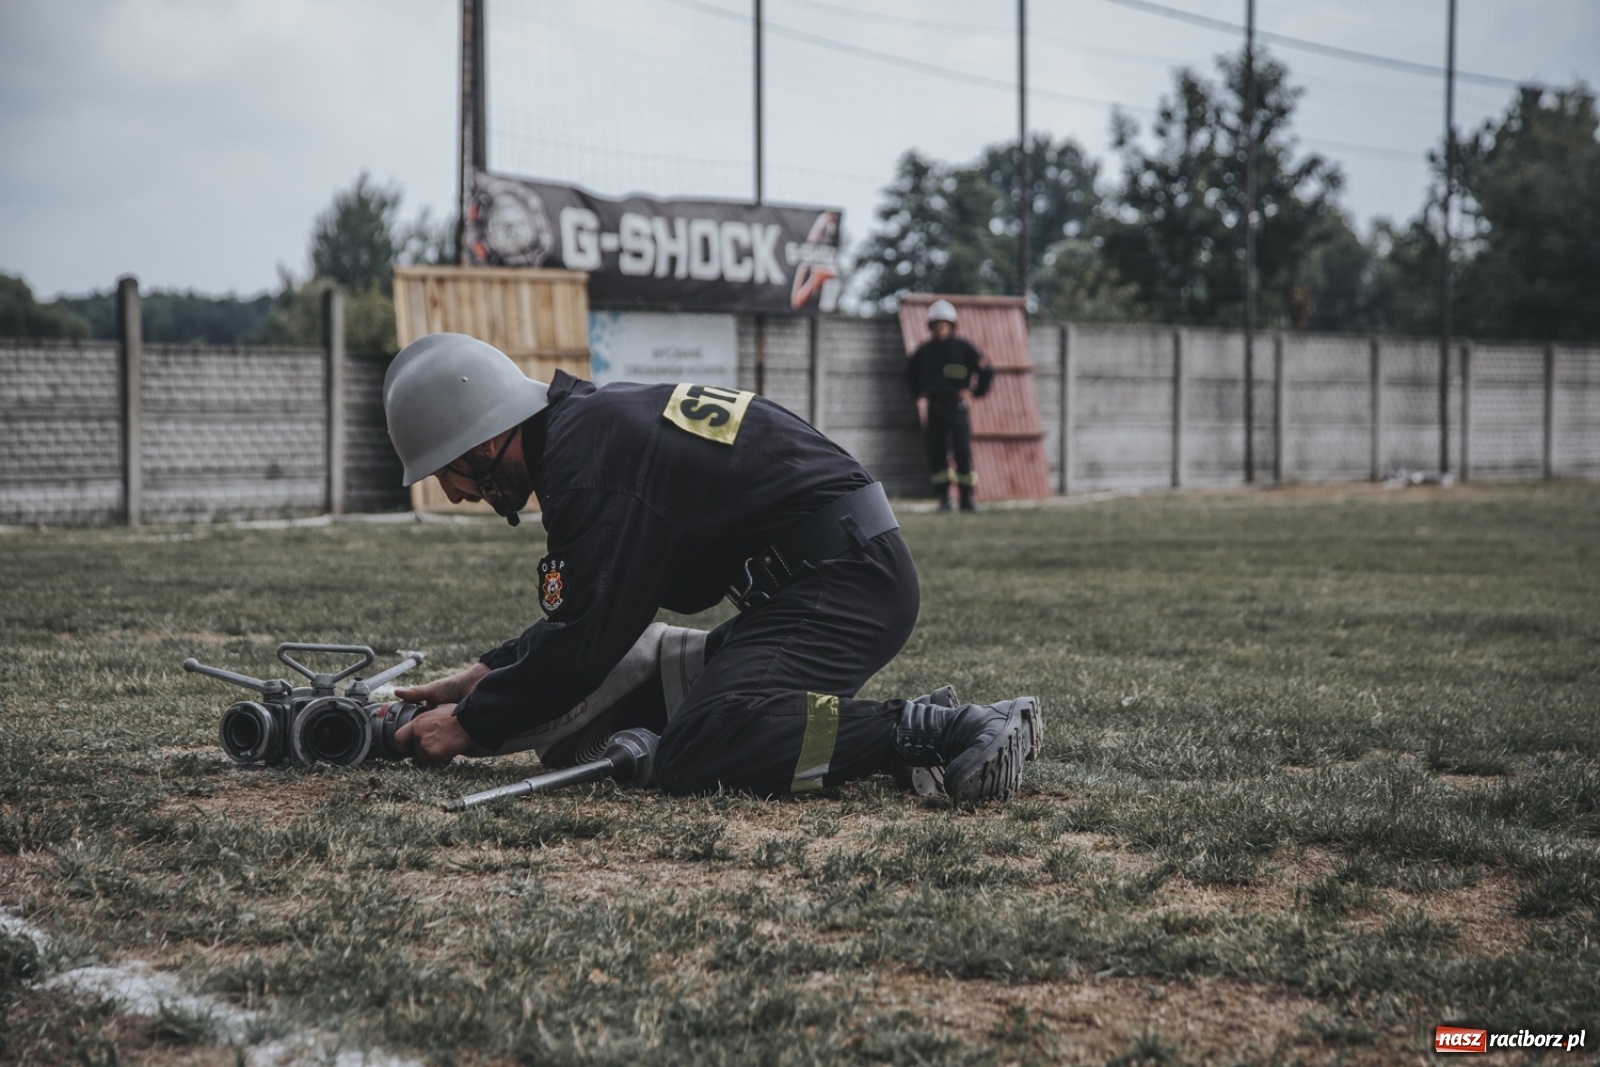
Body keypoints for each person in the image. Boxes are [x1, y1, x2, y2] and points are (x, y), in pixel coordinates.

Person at [381, 332, 1041, 802]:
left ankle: (941, 729)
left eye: (450, 470)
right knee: (652, 702)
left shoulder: (590, 470)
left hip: (846, 579)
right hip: (821, 574)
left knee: (701, 744)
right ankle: (903, 726)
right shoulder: (589, 436)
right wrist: (483, 674)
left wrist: (471, 723)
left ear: (487, 439)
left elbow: (585, 641)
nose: (456, 494)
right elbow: (591, 610)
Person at [906, 299, 993, 512]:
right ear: (931, 326)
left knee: (963, 453)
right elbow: (909, 375)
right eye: (937, 324)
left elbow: (986, 371)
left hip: (957, 408)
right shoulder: (924, 351)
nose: (941, 328)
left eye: (945, 323)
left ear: (952, 325)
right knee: (937, 454)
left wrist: (974, 391)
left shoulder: (965, 349)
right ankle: (944, 499)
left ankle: (966, 500)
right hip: (934, 409)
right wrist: (918, 393)